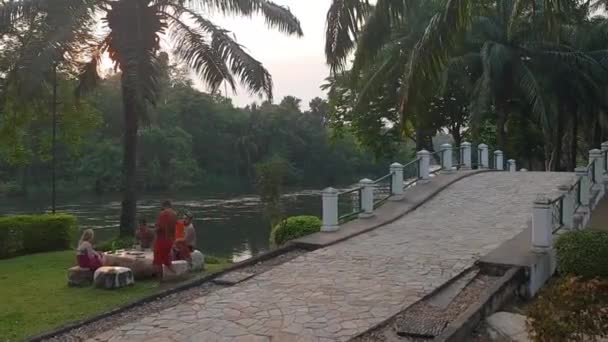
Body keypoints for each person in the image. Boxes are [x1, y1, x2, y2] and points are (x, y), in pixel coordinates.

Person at [154, 200, 177, 281]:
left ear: (164, 205)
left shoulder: (163, 214)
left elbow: (160, 228)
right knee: (167, 261)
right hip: (170, 240)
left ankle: (160, 280)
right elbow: (174, 229)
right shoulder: (174, 214)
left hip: (162, 240)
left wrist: (155, 228)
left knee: (158, 261)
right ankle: (176, 274)